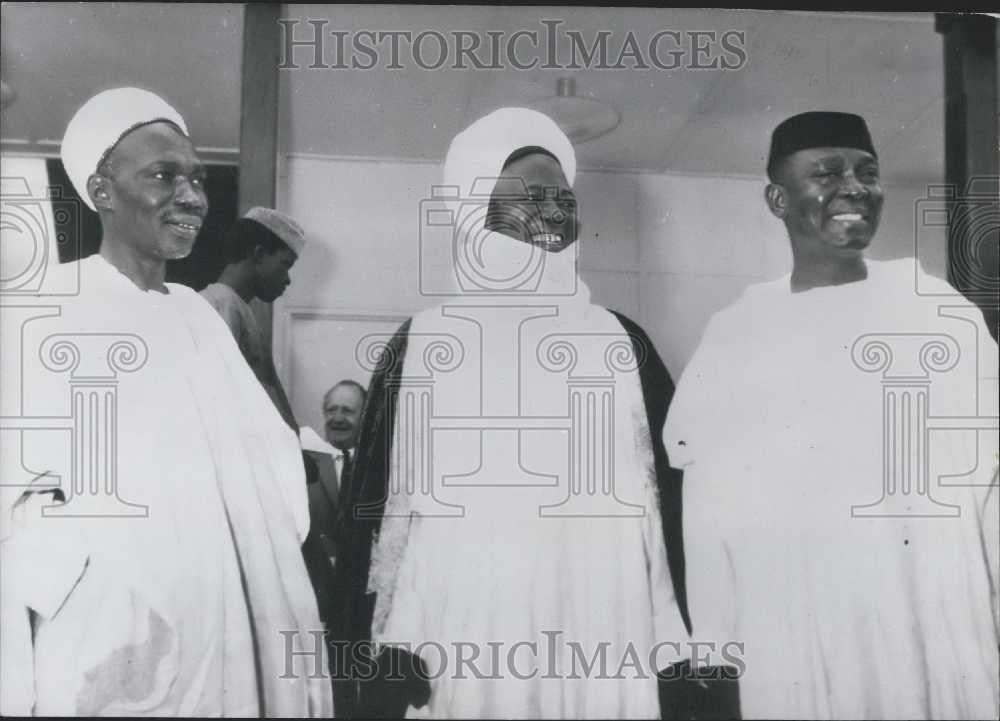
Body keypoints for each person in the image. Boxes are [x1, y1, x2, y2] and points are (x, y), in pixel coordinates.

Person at [337, 108, 694, 719]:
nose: (555, 212)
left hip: (602, 614)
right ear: (476, 212)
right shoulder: (425, 341)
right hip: (467, 623)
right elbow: (386, 511)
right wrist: (388, 646)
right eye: (530, 197)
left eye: (564, 198)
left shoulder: (620, 340)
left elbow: (665, 510)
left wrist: (675, 646)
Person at [0, 88, 332, 716]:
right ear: (102, 192)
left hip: (225, 610)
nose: (192, 196)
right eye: (163, 175)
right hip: (107, 627)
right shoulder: (45, 311)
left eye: (198, 179)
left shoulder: (199, 318)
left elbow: (273, 476)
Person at [664, 111, 1000, 719]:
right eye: (827, 172)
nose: (854, 187)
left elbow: (991, 479)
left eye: (867, 172)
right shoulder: (737, 334)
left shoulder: (936, 311)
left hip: (932, 610)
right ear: (777, 198)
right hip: (799, 626)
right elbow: (710, 509)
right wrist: (716, 649)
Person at [201, 208, 305, 429]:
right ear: (258, 254)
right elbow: (218, 397)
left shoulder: (239, 307)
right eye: (285, 265)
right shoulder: (221, 304)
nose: (287, 279)